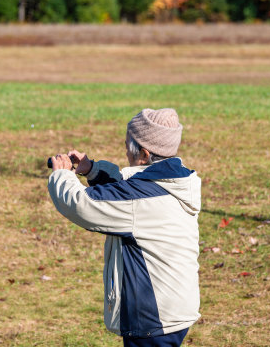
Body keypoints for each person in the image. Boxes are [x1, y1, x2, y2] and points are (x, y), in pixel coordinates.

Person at [48, 108, 201, 347]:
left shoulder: (140, 198)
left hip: (153, 317)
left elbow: (81, 205)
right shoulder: (174, 181)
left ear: (144, 153)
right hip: (173, 308)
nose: (124, 148)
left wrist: (62, 175)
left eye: (128, 143)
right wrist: (92, 169)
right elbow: (125, 188)